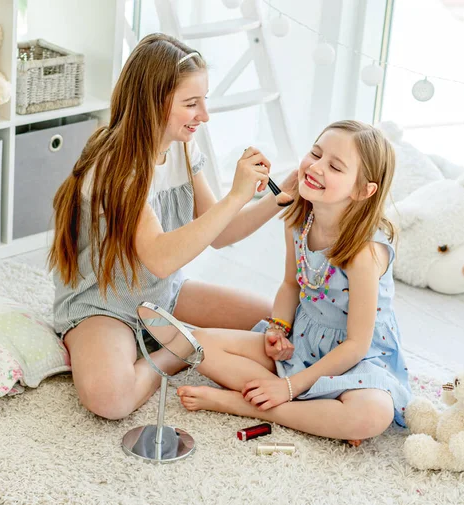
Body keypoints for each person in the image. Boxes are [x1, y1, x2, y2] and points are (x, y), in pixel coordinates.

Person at [47, 33, 295, 420]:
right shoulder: (116, 166)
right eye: (191, 104)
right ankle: (181, 348)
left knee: (274, 322)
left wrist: (279, 198)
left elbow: (221, 234)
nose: (204, 115)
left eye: (204, 101)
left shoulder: (180, 146)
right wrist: (235, 195)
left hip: (163, 295)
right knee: (110, 399)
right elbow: (160, 257)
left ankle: (180, 338)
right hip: (106, 304)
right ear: (153, 102)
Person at [178, 120, 412, 444]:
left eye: (334, 166)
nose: (315, 167)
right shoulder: (300, 219)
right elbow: (291, 285)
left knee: (373, 414)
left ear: (362, 191)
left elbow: (357, 344)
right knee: (198, 343)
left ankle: (254, 407)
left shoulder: (363, 253)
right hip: (304, 338)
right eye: (315, 154)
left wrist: (287, 386)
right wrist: (277, 328)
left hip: (355, 358)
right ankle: (318, 411)